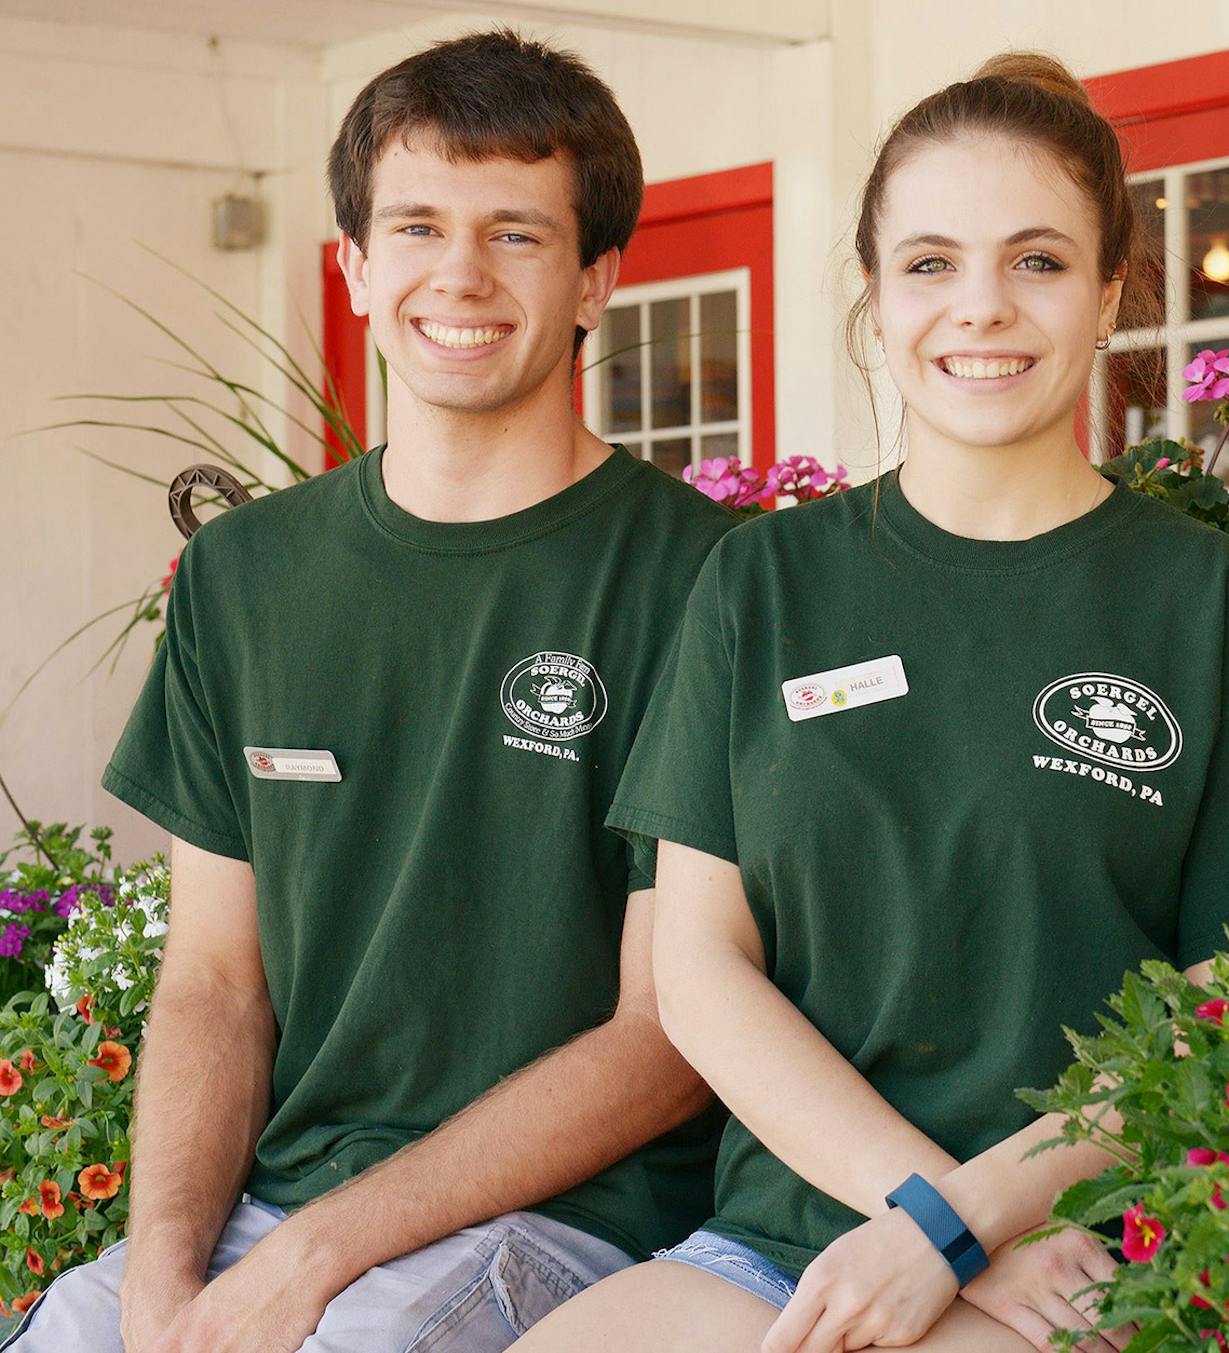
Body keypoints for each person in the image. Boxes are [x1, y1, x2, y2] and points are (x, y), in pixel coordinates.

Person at [510, 52, 1229, 1353]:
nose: (982, 308)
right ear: (873, 294)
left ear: (1111, 288)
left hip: (1090, 1253)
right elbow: (697, 968)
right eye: (930, 263)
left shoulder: (1213, 605)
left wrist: (975, 1221)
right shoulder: (763, 581)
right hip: (792, 1239)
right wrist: (926, 1215)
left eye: (1037, 260)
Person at [10, 30, 733, 1353]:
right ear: (352, 268)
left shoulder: (707, 580)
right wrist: (166, 1269)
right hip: (270, 1215)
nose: (459, 273)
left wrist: (319, 1254)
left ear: (596, 281)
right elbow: (217, 982)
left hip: (565, 1224)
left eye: (517, 233)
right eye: (416, 225)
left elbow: (667, 1033)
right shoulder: (244, 574)